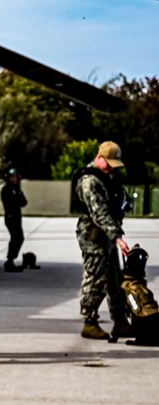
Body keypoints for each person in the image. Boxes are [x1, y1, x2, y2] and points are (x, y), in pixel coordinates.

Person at [70, 141, 133, 340]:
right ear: (99, 158)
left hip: (105, 235)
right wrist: (118, 237)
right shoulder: (89, 181)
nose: (111, 168)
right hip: (93, 235)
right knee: (95, 276)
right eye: (109, 163)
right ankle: (89, 322)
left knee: (115, 278)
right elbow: (99, 213)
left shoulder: (105, 177)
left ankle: (120, 321)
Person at [1, 168, 28, 272]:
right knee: (16, 238)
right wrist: (17, 199)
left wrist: (18, 198)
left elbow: (24, 202)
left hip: (17, 217)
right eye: (12, 177)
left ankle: (11, 259)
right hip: (10, 217)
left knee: (19, 238)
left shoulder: (17, 189)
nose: (14, 179)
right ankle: (10, 260)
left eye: (15, 177)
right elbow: (12, 203)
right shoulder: (6, 189)